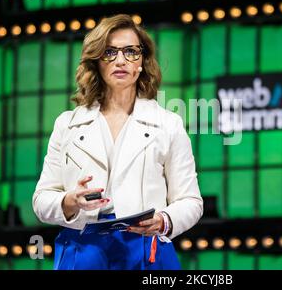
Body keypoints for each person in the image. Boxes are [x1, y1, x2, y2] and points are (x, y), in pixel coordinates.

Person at [32, 14, 203, 270]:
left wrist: (164, 220)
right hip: (82, 249)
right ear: (97, 61)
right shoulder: (67, 124)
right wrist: (70, 201)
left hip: (145, 249)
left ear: (142, 62)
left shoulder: (168, 124)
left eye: (131, 52)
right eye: (109, 52)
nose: (121, 60)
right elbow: (41, 199)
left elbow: (191, 201)